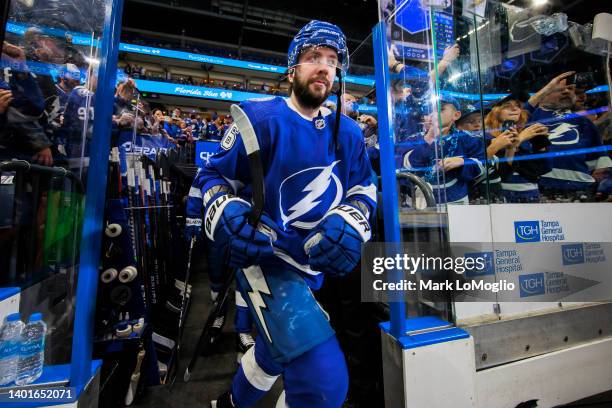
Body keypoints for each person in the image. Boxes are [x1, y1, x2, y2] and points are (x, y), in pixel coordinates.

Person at [195, 20, 376, 408]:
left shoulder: (349, 133)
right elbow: (212, 176)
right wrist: (224, 209)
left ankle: (228, 404)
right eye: (314, 57)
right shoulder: (259, 120)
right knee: (321, 381)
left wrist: (353, 220)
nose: (324, 67)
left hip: (313, 265)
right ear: (292, 68)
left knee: (275, 352)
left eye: (331, 60)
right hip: (267, 259)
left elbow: (364, 188)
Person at [527, 72, 612, 200]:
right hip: (540, 187)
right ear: (544, 95)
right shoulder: (531, 116)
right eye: (559, 89)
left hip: (580, 189)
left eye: (571, 88)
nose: (566, 91)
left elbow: (599, 164)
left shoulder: (584, 122)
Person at [402, 96, 486, 204]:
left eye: (440, 110)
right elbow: (405, 168)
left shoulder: (467, 139)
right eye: (430, 110)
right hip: (419, 203)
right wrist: (429, 139)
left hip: (457, 202)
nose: (433, 114)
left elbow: (483, 166)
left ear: (456, 115)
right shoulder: (413, 139)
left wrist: (462, 162)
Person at [484, 93, 551, 203]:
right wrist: (519, 140)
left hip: (531, 195)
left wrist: (541, 143)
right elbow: (501, 174)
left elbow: (545, 169)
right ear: (495, 111)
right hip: (501, 196)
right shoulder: (486, 138)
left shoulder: (528, 134)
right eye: (507, 106)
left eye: (518, 105)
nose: (514, 108)